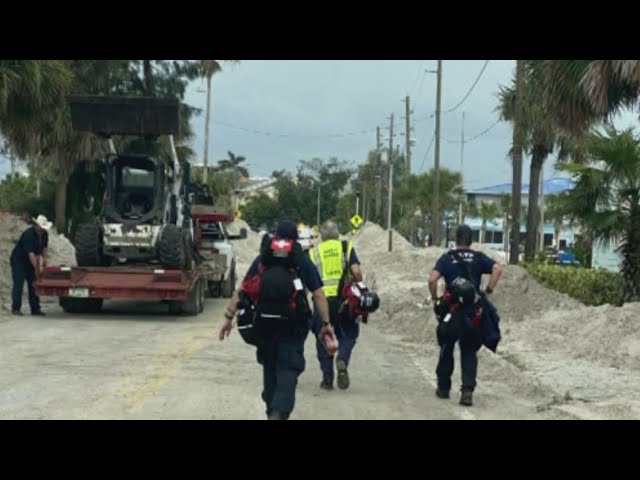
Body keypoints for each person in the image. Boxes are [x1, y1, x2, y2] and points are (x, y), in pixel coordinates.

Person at [219, 220, 334, 420]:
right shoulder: (300, 259)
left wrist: (229, 318)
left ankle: (271, 409)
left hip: (265, 325)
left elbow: (243, 289)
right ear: (295, 239)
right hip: (293, 325)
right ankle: (278, 413)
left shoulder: (264, 258)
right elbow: (318, 295)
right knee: (289, 368)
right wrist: (326, 324)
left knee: (270, 367)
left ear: (276, 236)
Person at [428, 224, 503, 406]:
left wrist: (435, 298)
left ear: (456, 239)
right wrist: (488, 289)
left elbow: (432, 279)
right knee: (469, 350)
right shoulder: (478, 258)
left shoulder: (447, 258)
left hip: (451, 311)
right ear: (471, 240)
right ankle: (467, 391)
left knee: (446, 347)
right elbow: (498, 269)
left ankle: (444, 388)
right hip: (472, 312)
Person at [309, 220, 363, 390]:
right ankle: (342, 359)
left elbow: (307, 279)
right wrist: (357, 287)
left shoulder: (314, 252)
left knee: (324, 337)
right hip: (344, 302)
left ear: (322, 235)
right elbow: (356, 272)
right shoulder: (346, 248)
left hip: (321, 302)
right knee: (348, 334)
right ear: (338, 233)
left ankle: (327, 379)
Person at [10, 215, 52, 316]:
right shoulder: (28, 234)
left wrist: (45, 260)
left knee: (34, 284)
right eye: (41, 228)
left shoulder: (44, 234)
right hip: (19, 260)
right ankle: (16, 308)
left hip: (31, 259)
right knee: (18, 284)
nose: (42, 230)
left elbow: (44, 248)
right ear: (37, 226)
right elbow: (31, 254)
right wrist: (37, 269)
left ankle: (35, 309)